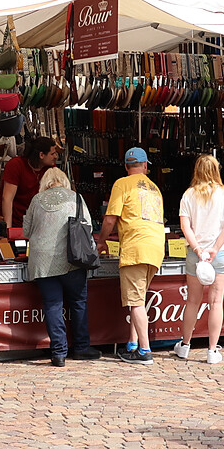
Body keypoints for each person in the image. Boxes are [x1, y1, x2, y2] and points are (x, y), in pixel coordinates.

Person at [24, 167, 100, 366]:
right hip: (72, 260)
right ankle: (82, 347)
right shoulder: (76, 198)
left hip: (42, 262)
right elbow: (88, 226)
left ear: (45, 182)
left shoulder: (37, 200)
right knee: (78, 301)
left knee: (52, 304)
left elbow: (25, 230)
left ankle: (58, 353)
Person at [100, 146, 164, 365]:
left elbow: (110, 218)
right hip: (155, 248)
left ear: (126, 166)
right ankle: (133, 344)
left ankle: (145, 351)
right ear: (145, 166)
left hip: (135, 248)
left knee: (135, 302)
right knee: (139, 299)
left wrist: (101, 241)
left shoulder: (121, 184)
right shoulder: (155, 188)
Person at [174, 155, 224, 364]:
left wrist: (198, 249)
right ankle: (212, 350)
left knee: (192, 300)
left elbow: (185, 226)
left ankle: (185, 345)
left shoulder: (188, 195)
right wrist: (215, 248)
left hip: (196, 254)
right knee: (216, 301)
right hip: (220, 253)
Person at [0, 135, 61, 232]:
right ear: (41, 155)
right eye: (52, 153)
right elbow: (7, 198)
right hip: (16, 221)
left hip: (38, 223)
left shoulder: (50, 168)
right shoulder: (16, 165)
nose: (55, 157)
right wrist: (8, 230)